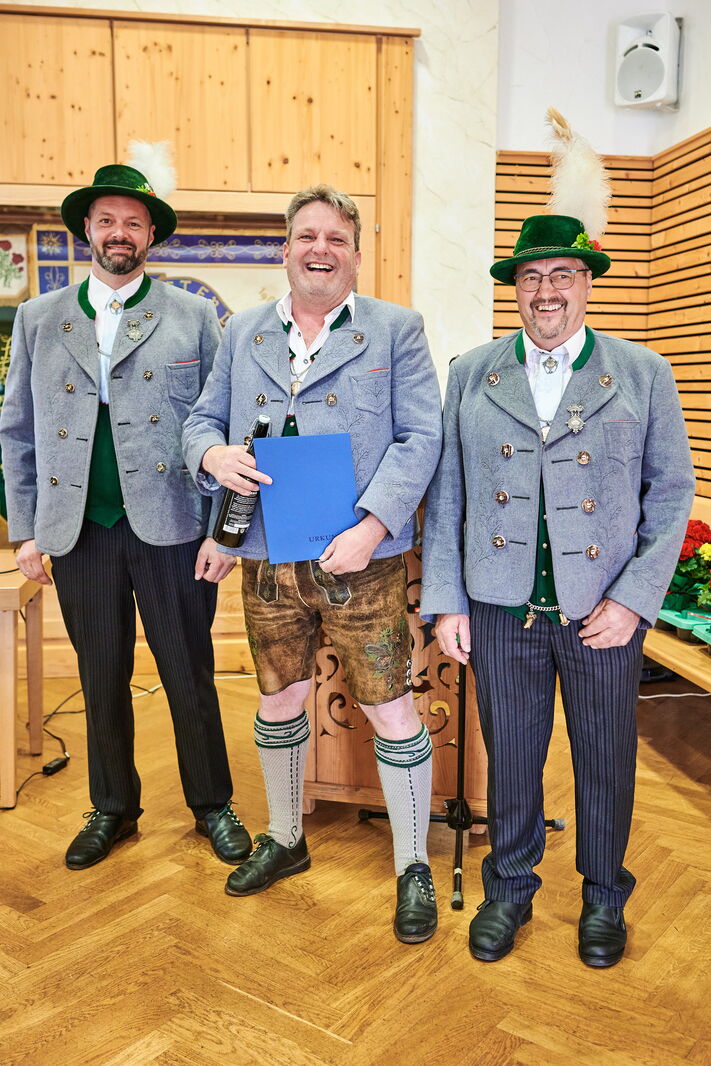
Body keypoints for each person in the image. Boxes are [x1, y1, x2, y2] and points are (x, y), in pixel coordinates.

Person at [420, 211, 695, 967]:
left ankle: (604, 897)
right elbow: (448, 493)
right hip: (499, 607)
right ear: (515, 288)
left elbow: (672, 492)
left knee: (604, 759)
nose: (547, 291)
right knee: (511, 758)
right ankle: (509, 889)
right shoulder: (472, 371)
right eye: (531, 276)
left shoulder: (642, 371)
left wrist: (633, 601)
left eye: (563, 275)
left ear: (586, 284)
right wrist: (446, 600)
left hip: (602, 610)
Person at [182, 184, 443, 943]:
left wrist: (374, 524)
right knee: (279, 699)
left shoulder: (395, 329)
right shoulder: (243, 333)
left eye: (335, 238)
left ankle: (412, 865)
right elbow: (202, 420)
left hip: (364, 560)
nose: (320, 250)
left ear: (356, 254)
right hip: (267, 558)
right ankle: (286, 836)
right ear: (286, 248)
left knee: (390, 708)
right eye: (306, 236)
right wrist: (211, 454)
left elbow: (420, 438)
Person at [0, 154, 252, 870]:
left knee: (189, 670)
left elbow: (222, 427)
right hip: (79, 529)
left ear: (151, 235)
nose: (119, 232)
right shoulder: (41, 318)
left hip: (174, 526)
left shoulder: (193, 316)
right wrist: (26, 531)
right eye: (107, 220)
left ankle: (212, 804)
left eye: (133, 223)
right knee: (100, 674)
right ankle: (112, 806)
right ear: (87, 228)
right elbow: (17, 430)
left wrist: (224, 533)